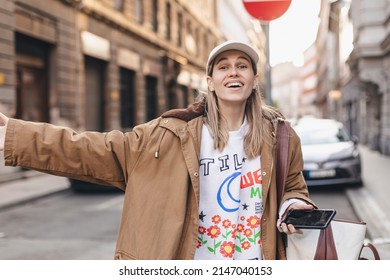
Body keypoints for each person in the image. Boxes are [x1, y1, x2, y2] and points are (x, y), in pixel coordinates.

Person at [0, 40, 315, 260]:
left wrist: (295, 203)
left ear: (254, 79)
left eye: (242, 66)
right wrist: (13, 135)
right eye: (223, 67)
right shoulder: (168, 135)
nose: (233, 72)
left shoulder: (280, 137)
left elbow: (293, 187)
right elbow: (90, 150)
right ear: (210, 81)